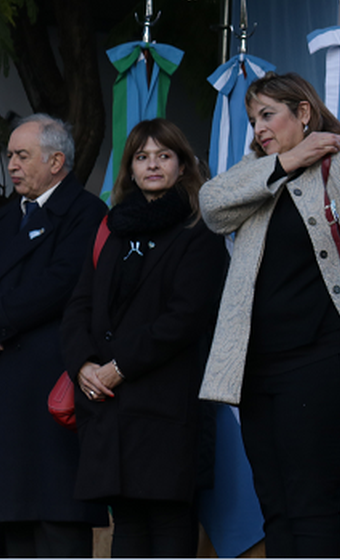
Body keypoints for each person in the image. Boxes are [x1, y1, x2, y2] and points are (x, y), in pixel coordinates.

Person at [197, 71, 340, 558]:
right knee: (276, 510)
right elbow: (210, 206)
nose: (259, 128)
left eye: (268, 114)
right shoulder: (253, 175)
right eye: (253, 119)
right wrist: (287, 160)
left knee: (311, 506)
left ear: (303, 112)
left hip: (331, 364)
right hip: (260, 373)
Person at [60, 118, 227, 557]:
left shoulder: (199, 229)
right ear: (130, 169)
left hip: (167, 407)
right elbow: (79, 305)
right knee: (128, 528)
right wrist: (83, 366)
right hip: (109, 409)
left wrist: (119, 367)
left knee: (170, 526)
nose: (152, 165)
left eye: (163, 155)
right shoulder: (113, 229)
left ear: (182, 164)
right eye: (142, 157)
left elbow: (184, 319)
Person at [0, 113, 108, 556]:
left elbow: (59, 283)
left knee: (53, 512)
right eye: (10, 155)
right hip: (0, 386)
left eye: (22, 155)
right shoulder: (5, 220)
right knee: (10, 517)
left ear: (57, 161)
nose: (12, 165)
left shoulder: (86, 213)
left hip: (46, 380)